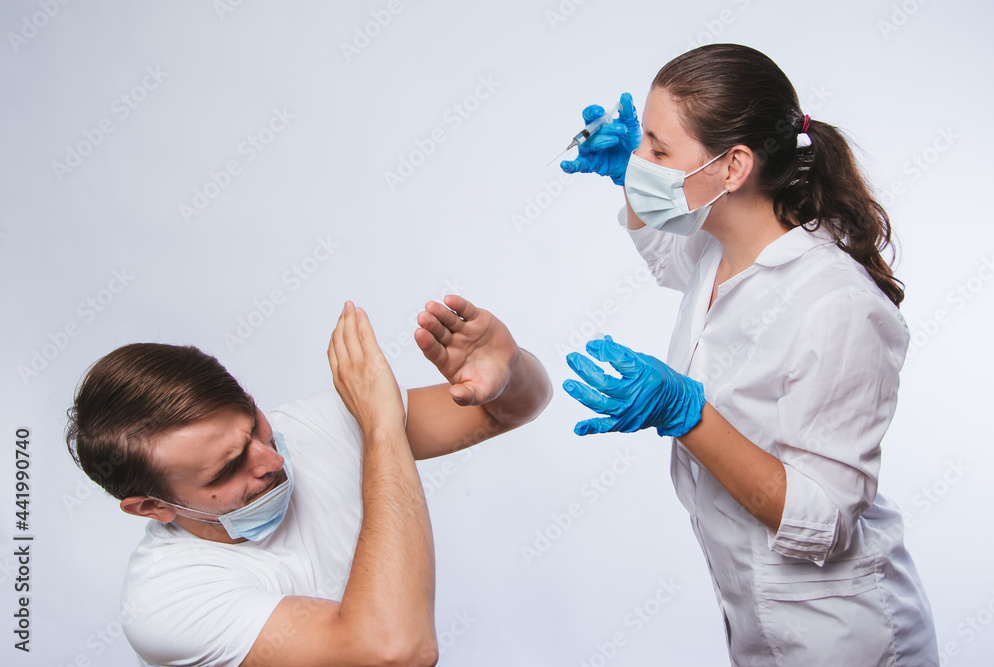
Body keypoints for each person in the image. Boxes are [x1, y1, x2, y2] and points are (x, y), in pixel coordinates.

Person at [560, 44, 938, 665]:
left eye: (658, 149)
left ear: (733, 166)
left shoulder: (836, 305)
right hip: (755, 620)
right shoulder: (719, 248)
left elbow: (827, 520)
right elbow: (666, 256)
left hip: (841, 635)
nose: (642, 160)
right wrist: (632, 175)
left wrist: (687, 415)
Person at [65, 295, 551, 667]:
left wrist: (508, 369)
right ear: (151, 507)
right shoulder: (164, 602)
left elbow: (508, 411)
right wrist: (381, 427)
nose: (272, 458)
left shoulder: (314, 427)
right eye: (228, 468)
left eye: (254, 424)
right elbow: (398, 651)